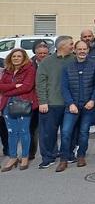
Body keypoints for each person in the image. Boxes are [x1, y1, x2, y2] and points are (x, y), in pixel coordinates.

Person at [57, 41, 95, 172]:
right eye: (79, 49)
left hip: (88, 105)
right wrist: (70, 103)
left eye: (84, 49)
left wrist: (93, 100)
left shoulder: (94, 65)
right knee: (66, 132)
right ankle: (64, 159)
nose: (82, 51)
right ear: (74, 50)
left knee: (84, 133)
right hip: (72, 106)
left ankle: (81, 156)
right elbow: (64, 87)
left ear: (88, 50)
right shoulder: (67, 67)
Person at [36, 35, 74, 169]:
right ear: (62, 46)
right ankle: (48, 157)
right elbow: (40, 83)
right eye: (71, 44)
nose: (72, 46)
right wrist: (42, 101)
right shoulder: (46, 62)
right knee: (48, 132)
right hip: (51, 103)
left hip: (69, 103)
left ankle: (68, 154)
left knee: (68, 132)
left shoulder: (74, 59)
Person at [0, 49, 37, 171]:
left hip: (23, 103)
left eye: (19, 56)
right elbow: (1, 86)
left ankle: (25, 156)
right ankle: (13, 157)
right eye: (14, 56)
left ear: (24, 57)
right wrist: (14, 86)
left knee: (24, 131)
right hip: (7, 104)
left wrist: (7, 90)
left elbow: (27, 87)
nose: (16, 58)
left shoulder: (30, 69)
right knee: (11, 132)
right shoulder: (7, 71)